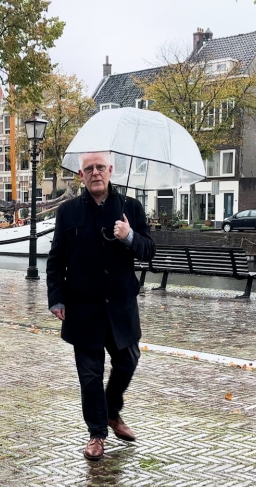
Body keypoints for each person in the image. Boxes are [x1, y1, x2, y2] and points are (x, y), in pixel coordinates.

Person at [46, 151, 155, 461]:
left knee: (128, 361)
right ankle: (97, 433)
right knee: (90, 375)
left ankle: (112, 410)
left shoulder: (130, 208)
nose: (95, 173)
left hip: (120, 306)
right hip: (83, 308)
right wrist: (56, 298)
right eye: (88, 169)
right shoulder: (68, 212)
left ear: (110, 171)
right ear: (81, 175)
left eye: (100, 168)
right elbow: (56, 260)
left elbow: (148, 251)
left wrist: (130, 236)